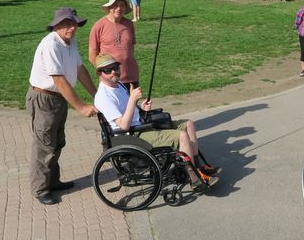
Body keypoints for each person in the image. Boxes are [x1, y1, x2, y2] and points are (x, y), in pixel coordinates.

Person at [93, 54, 220, 188]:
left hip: (141, 125)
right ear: (100, 73)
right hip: (133, 135)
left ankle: (198, 167)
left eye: (115, 67)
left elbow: (128, 109)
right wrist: (132, 99)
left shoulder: (118, 85)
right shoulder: (103, 97)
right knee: (182, 136)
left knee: (188, 124)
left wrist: (140, 107)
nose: (114, 71)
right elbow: (124, 125)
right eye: (108, 70)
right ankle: (194, 179)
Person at [26, 8, 98, 205]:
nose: (72, 28)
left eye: (74, 24)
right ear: (56, 25)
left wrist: (95, 93)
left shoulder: (70, 42)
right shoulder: (51, 44)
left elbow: (80, 69)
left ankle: (53, 182)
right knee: (44, 145)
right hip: (44, 98)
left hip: (58, 99)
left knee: (57, 142)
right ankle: (40, 189)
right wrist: (81, 107)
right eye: (67, 24)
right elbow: (58, 80)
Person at [89, 0, 140, 90]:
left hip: (131, 77)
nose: (118, 8)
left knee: (132, 104)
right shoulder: (99, 26)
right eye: (115, 5)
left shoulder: (129, 24)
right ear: (109, 8)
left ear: (125, 8)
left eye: (122, 5)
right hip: (110, 80)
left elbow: (130, 48)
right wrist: (106, 73)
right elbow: (92, 56)